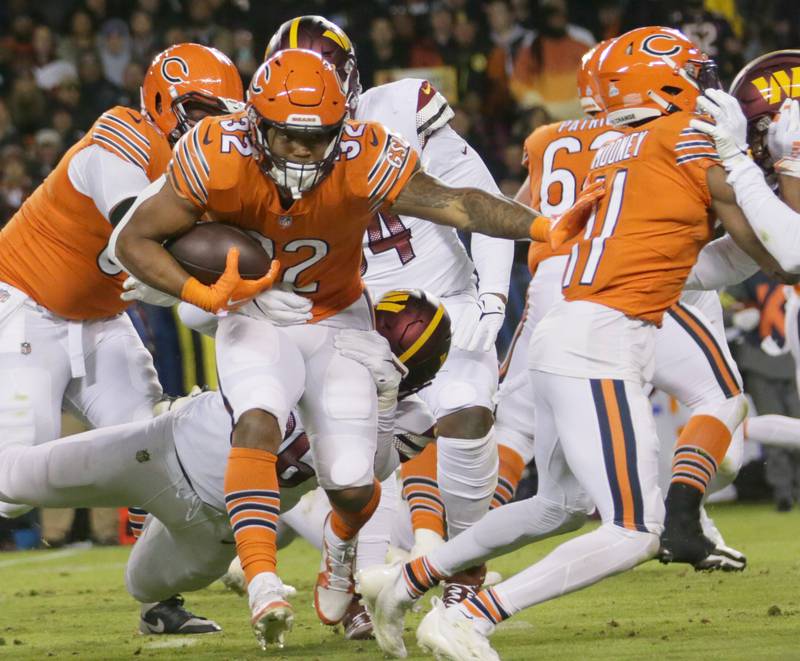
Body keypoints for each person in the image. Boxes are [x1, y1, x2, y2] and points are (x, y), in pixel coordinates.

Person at [109, 47, 601, 650]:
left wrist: (543, 227)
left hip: (341, 316)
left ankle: (341, 547)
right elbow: (133, 238)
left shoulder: (363, 149)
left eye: (319, 137)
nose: (305, 151)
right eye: (290, 136)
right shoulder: (217, 147)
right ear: (258, 122)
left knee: (352, 479)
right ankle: (263, 579)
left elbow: (457, 201)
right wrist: (201, 294)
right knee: (258, 418)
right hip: (258, 312)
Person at [355, 26, 788, 660]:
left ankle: (407, 580)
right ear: (663, 84)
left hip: (568, 330)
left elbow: (707, 264)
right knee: (635, 530)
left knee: (558, 504)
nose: (708, 87)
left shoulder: (621, 144)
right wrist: (777, 163)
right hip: (600, 344)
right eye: (695, 74)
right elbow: (792, 256)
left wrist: (748, 177)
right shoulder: (685, 141)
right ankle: (471, 615)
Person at [264, 14, 513, 606]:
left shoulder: (401, 109)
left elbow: (480, 202)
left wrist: (492, 294)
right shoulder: (268, 145)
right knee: (334, 462)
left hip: (442, 305)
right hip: (354, 321)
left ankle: (463, 572)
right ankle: (342, 562)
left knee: (468, 415)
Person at [0, 42, 244, 633]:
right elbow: (133, 241)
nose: (215, 126)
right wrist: (179, 283)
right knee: (13, 485)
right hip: (25, 303)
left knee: (156, 458)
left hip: (102, 319)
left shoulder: (210, 165)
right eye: (202, 110)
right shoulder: (121, 137)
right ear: (164, 102)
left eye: (225, 113)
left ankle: (160, 602)